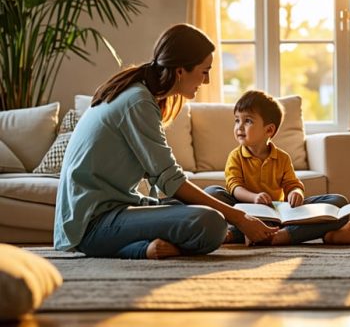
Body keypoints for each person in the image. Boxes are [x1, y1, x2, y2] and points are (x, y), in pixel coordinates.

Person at [54, 24, 277, 260]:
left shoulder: (141, 94)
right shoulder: (137, 101)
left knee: (217, 195)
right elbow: (171, 180)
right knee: (211, 221)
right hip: (93, 224)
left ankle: (159, 241)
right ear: (180, 70)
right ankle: (140, 249)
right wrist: (239, 218)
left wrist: (231, 213)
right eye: (204, 71)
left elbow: (162, 180)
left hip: (119, 207)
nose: (208, 80)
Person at [205, 90, 350, 245]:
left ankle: (281, 235)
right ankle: (260, 233)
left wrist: (296, 193)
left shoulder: (282, 158)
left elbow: (292, 185)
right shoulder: (236, 156)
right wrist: (254, 198)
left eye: (248, 121)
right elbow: (234, 187)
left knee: (339, 203)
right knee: (212, 193)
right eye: (237, 120)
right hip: (244, 212)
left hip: (276, 212)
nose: (239, 127)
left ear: (269, 130)